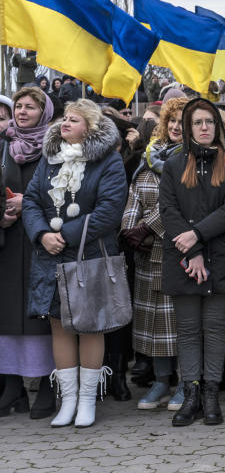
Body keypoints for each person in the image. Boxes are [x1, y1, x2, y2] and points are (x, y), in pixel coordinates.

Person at [22, 99, 127, 427]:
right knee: (59, 325)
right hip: (50, 256)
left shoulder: (108, 161)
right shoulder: (49, 158)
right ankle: (67, 401)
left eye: (74, 120)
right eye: (64, 118)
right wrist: (41, 234)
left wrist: (64, 234)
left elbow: (110, 210)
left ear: (91, 128)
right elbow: (30, 201)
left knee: (90, 325)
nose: (64, 124)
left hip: (89, 256)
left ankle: (87, 402)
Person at [159, 98, 225, 427]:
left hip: (221, 258)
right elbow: (168, 210)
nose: (204, 127)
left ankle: (211, 392)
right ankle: (191, 392)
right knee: (187, 330)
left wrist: (197, 235)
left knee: (213, 329)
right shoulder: (172, 164)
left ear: (219, 127)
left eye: (209, 122)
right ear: (187, 127)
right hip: (184, 258)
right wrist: (191, 251)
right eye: (197, 122)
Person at [121, 97, 188, 412]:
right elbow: (134, 194)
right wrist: (130, 229)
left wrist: (149, 227)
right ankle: (161, 380)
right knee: (154, 323)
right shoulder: (149, 157)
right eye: (171, 120)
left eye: (181, 121)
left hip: (180, 250)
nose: (175, 127)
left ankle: (187, 382)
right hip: (147, 255)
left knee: (181, 322)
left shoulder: (193, 159)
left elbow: (181, 202)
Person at [0, 88, 56, 419]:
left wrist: (29, 204)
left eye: (30, 107)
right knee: (7, 316)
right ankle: (13, 388)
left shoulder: (55, 147)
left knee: (43, 318)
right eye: (18, 106)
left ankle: (49, 385)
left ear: (44, 111)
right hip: (8, 245)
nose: (22, 112)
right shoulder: (3, 146)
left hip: (42, 242)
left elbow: (67, 193)